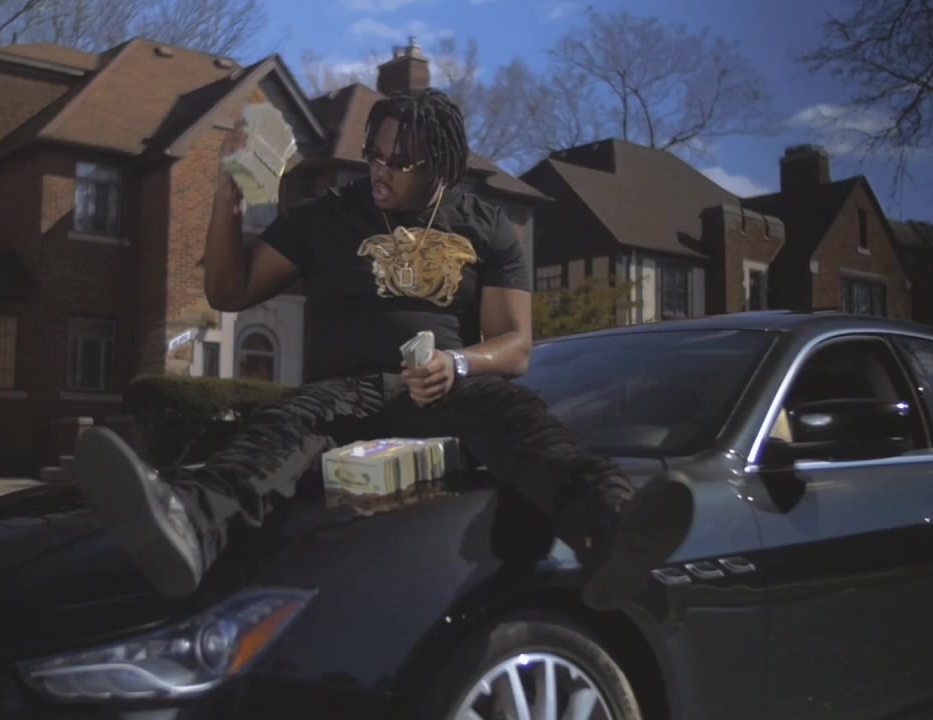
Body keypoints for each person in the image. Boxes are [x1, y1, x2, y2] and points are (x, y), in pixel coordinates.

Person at [73, 88, 694, 611]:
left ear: (441, 167)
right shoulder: (324, 217)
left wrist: (457, 362)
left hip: (442, 388)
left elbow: (516, 347)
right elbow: (229, 291)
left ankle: (613, 530)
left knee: (520, 418)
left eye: (401, 162)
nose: (380, 171)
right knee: (281, 426)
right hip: (342, 392)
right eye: (374, 154)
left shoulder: (487, 226)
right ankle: (186, 525)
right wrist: (228, 196)